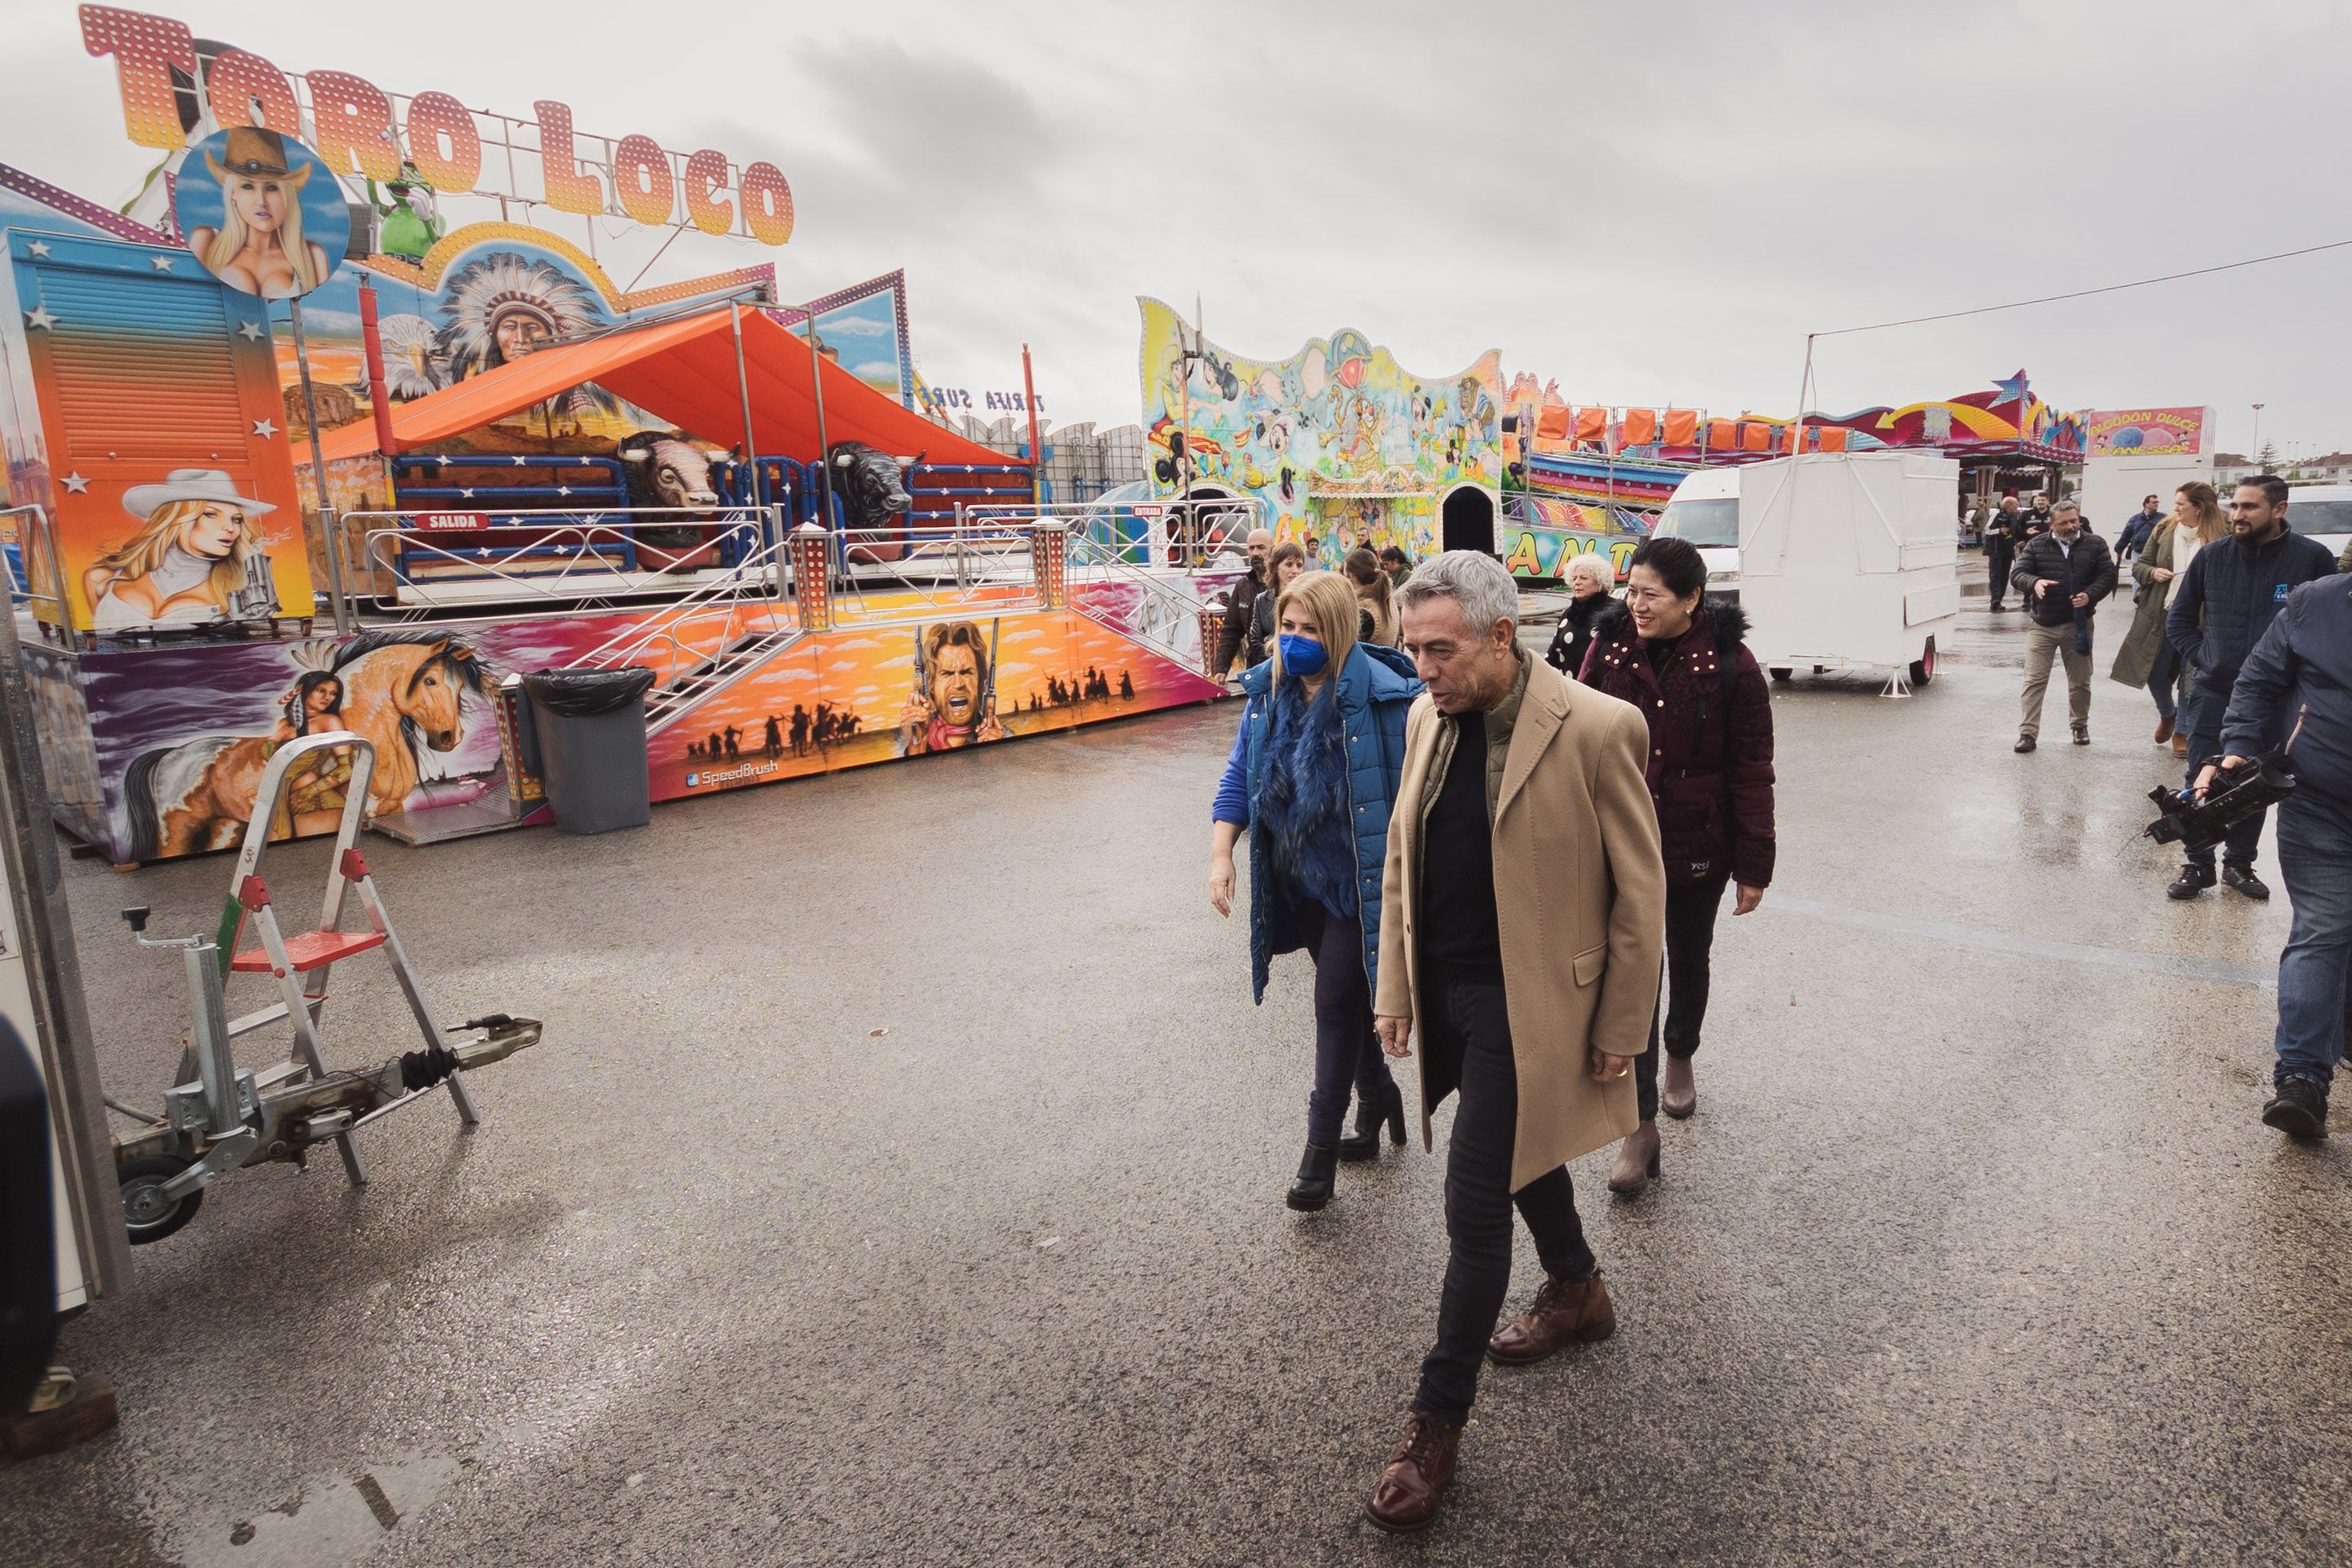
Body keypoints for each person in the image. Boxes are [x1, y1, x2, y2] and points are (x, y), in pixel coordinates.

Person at [1361, 551, 1664, 1535]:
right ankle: (1578, 1287)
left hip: (1526, 1002)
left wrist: (1621, 1025)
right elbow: (1403, 859)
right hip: (1444, 986)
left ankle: (1433, 1422)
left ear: (1501, 636)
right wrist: (1395, 987)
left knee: (1472, 1197)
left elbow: (1639, 895)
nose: (1423, 670)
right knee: (1515, 1147)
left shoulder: (1598, 726)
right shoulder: (1421, 717)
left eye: (1440, 650)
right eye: (1412, 650)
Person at [1209, 572, 1422, 1208]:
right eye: (1285, 628)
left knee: (1332, 1004)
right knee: (1348, 1001)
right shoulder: (1268, 694)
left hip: (1357, 887)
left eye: (1306, 628)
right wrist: (1220, 853)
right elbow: (1238, 776)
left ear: (1334, 629)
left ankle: (1318, 1152)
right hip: (1297, 880)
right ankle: (1379, 1096)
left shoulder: (1385, 699)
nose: (1291, 640)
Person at [1579, 536, 1774, 1192]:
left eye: (1650, 594)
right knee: (1630, 975)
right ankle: (1638, 1128)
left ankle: (1680, 1052)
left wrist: (1754, 863)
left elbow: (1751, 770)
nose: (1634, 604)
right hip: (1617, 843)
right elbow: (1572, 735)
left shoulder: (1732, 665)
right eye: (1630, 590)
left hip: (1697, 843)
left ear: (1692, 598)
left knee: (1687, 957)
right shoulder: (1605, 647)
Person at [2204, 569, 2352, 1139]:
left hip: (2318, 787)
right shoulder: (2315, 601)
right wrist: (2237, 747)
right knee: (2321, 930)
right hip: (2318, 799)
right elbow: (2258, 681)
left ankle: (2304, 1072)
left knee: (2322, 932)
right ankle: (2299, 1080)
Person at [2162, 476, 2337, 899]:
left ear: (2279, 510)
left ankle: (2239, 865)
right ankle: (2197, 864)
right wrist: (2209, 659)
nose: (2237, 515)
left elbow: (2332, 626)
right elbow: (2179, 620)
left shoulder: (2312, 559)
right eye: (2235, 506)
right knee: (2201, 775)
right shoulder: (2213, 556)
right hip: (2216, 690)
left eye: (2250, 507)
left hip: (2279, 698)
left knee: (2256, 780)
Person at [85, 469, 275, 630]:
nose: (230, 528)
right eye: (210, 515)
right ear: (177, 519)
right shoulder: (100, 578)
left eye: (236, 519)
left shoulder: (241, 587)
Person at [2108, 484, 2222, 754]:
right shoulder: (2164, 529)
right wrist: (2153, 572)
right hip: (2164, 610)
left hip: (2205, 617)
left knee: (2191, 675)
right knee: (2154, 672)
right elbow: (2139, 565)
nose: (2175, 508)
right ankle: (2167, 713)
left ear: (2200, 507)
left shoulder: (2222, 533)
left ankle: (2181, 732)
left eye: (2182, 504)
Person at [2011, 500, 2117, 752]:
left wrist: (2090, 595)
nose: (2070, 526)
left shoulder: (2095, 544)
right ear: (2052, 524)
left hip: (2078, 625)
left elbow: (2107, 575)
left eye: (2073, 520)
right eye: (2063, 523)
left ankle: (2079, 726)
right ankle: (2028, 733)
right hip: (2043, 625)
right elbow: (2018, 574)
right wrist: (2033, 582)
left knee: (2080, 681)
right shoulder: (2037, 545)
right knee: (2034, 680)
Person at [187, 128, 332, 298]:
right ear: (233, 194)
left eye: (272, 188)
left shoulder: (312, 256)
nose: (261, 201)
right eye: (247, 186)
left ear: (288, 196)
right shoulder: (206, 240)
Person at [898, 621, 1006, 755]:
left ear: (980, 681)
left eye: (966, 672)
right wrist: (917, 744)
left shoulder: (1003, 736)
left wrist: (998, 754)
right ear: (931, 685)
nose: (958, 683)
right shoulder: (903, 738)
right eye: (947, 674)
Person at [1215, 529, 1275, 679]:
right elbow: (1231, 630)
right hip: (1255, 668)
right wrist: (1221, 668)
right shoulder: (1243, 586)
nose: (1255, 553)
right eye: (1251, 548)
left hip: (1283, 666)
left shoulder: (1283, 584)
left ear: (1272, 551)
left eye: (1261, 548)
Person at [1542, 554, 1613, 677]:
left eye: (1584, 578)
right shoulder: (1569, 614)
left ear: (1600, 582)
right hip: (1572, 690)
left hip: (1602, 692)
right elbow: (1553, 657)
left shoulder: (1614, 612)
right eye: (1574, 578)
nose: (1577, 583)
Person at [1247, 542, 1308, 665]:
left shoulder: (1309, 600)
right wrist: (1274, 651)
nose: (1295, 571)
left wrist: (1270, 641)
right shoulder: (1262, 600)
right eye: (1289, 564)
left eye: (1299, 565)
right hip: (1270, 667)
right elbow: (1254, 641)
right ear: (1275, 567)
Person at [1343, 547, 1399, 646]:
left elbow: (1345, 650)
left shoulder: (1365, 613)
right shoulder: (1386, 598)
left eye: (1345, 576)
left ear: (1352, 577)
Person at [1984, 496, 2024, 611]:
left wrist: (2023, 536)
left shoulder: (2015, 516)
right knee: (1995, 575)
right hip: (1996, 550)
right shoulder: (1996, 514)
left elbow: (2016, 531)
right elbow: (1986, 530)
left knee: (2005, 576)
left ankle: (1999, 600)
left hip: (2008, 550)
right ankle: (1995, 600)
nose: (2017, 506)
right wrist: (1999, 531)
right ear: (2008, 505)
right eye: (2015, 504)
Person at [2116, 494, 2166, 564]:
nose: (2156, 504)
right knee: (2137, 572)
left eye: (2157, 502)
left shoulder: (2163, 518)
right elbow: (2125, 537)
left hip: (2156, 553)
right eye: (2154, 502)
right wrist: (2119, 550)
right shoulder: (2135, 519)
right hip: (2138, 552)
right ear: (2146, 504)